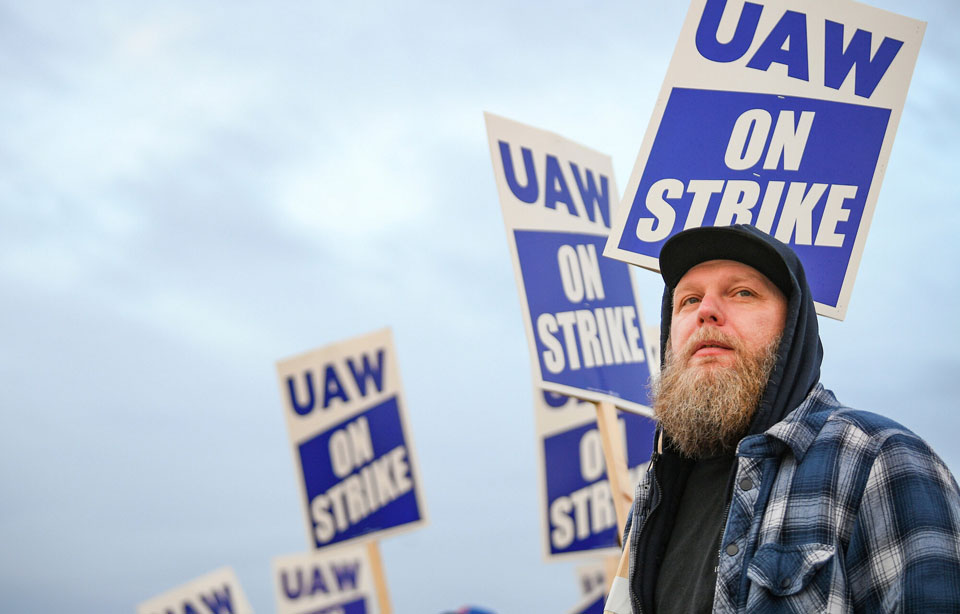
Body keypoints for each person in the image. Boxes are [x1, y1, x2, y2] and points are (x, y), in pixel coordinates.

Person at [620, 224, 960, 613]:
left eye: (742, 292)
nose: (706, 311)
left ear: (793, 330)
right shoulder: (652, 502)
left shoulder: (877, 460)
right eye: (689, 300)